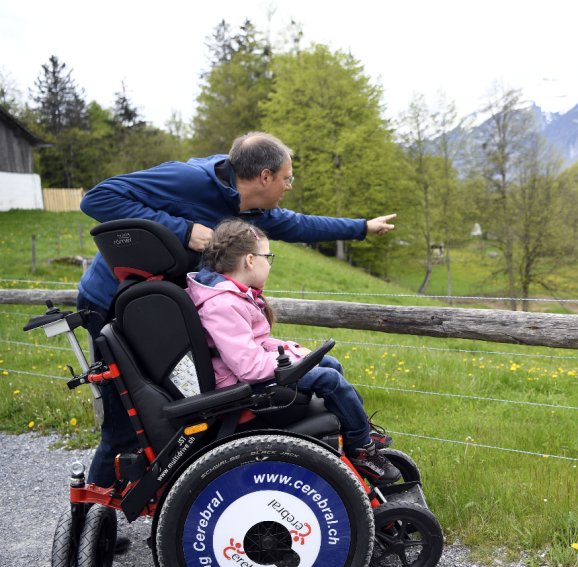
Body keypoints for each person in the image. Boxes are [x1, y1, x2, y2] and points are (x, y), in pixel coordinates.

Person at [76, 131, 396, 494]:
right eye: (287, 178)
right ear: (265, 177)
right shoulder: (189, 180)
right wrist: (183, 230)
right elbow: (98, 199)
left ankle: (171, 490)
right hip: (113, 305)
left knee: (168, 409)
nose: (289, 186)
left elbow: (299, 224)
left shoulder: (250, 210)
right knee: (126, 421)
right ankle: (92, 513)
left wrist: (362, 228)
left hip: (163, 310)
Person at [186, 220, 400, 485]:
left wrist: (295, 352)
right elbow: (248, 367)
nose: (269, 263)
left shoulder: (233, 297)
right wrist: (290, 361)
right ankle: (361, 449)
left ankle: (358, 429)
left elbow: (256, 343)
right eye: (268, 256)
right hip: (242, 389)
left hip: (248, 377)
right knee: (329, 380)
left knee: (328, 363)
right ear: (250, 260)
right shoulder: (222, 305)